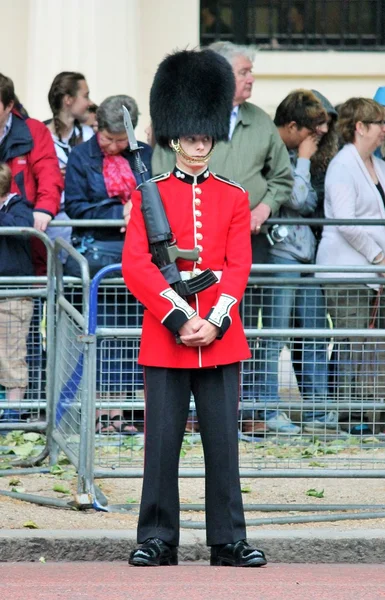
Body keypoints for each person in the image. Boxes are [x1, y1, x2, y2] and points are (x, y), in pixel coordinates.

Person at [123, 48, 267, 568]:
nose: (198, 144)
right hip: (167, 337)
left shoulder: (232, 196)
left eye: (205, 136)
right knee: (160, 447)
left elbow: (237, 264)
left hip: (220, 336)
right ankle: (157, 538)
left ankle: (227, 540)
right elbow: (136, 265)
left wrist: (215, 318)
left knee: (223, 448)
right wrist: (182, 317)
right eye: (190, 136)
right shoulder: (149, 195)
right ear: (175, 138)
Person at [151, 41, 293, 435]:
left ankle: (261, 408)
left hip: (244, 246)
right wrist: (181, 316)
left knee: (265, 328)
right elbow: (163, 187)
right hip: (179, 271)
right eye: (244, 72)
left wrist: (262, 209)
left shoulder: (259, 122)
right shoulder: (177, 141)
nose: (250, 79)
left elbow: (281, 177)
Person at [65, 94, 152, 435]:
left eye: (121, 140)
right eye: (108, 139)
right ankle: (99, 414)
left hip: (136, 254)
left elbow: (158, 193)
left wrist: (139, 208)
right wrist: (119, 212)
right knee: (99, 336)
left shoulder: (144, 154)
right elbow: (75, 206)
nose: (115, 147)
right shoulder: (79, 157)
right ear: (96, 127)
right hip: (98, 254)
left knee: (129, 337)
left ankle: (119, 414)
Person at [253, 89, 338, 434]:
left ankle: (318, 412)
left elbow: (309, 198)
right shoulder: (272, 151)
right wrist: (303, 160)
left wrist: (302, 174)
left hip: (306, 254)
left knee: (317, 333)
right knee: (274, 337)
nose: (315, 139)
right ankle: (268, 410)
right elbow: (300, 196)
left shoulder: (295, 153)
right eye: (311, 131)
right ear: (291, 125)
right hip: (279, 253)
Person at [316, 97, 385, 433]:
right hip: (347, 270)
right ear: (360, 127)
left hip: (372, 273)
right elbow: (346, 221)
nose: (384, 131)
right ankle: (353, 416)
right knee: (353, 343)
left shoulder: (378, 164)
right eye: (379, 124)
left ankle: (373, 414)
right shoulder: (343, 165)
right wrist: (378, 255)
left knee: (373, 345)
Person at [0, 73, 63, 274]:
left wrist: (44, 209)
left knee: (25, 296)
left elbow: (49, 174)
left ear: (9, 106)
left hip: (24, 231)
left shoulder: (34, 131)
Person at [0, 163, 34, 424]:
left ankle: (12, 413)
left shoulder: (18, 207)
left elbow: (23, 229)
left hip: (12, 294)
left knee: (12, 354)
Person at [45, 71, 93, 256]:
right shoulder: (40, 136)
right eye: (85, 96)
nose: (89, 103)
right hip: (52, 222)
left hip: (83, 221)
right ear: (68, 100)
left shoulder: (90, 136)